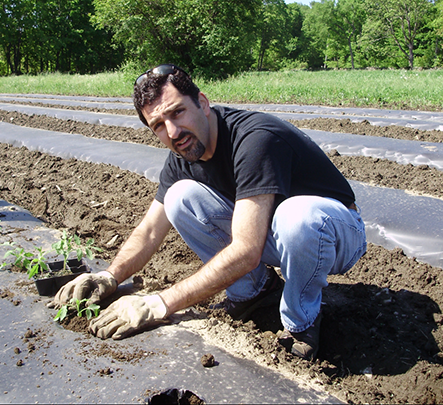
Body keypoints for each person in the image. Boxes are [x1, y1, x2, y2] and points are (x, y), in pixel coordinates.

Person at [51, 64, 367, 361]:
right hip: (275, 234)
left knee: (298, 216)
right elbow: (149, 230)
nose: (173, 132)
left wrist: (159, 303)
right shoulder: (183, 154)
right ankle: (253, 292)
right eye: (158, 125)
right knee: (179, 197)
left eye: (178, 112)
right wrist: (109, 275)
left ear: (202, 102)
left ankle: (302, 322)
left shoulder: (254, 140)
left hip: (335, 234)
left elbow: (246, 250)